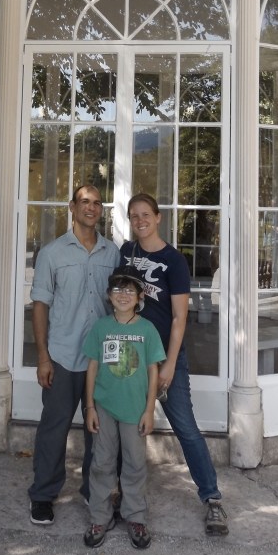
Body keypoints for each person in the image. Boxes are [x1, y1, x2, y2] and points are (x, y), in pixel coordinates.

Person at [120, 193, 229, 536]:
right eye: (134, 215)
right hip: (131, 355)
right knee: (125, 424)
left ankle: (211, 498)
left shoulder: (174, 260)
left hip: (165, 357)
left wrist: (168, 365)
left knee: (185, 427)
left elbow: (181, 317)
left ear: (158, 217)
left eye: (145, 214)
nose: (140, 220)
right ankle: (123, 495)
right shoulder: (125, 253)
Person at [28, 185, 120, 525]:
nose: (91, 208)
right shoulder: (52, 253)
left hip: (102, 358)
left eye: (97, 203)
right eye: (85, 202)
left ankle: (94, 494)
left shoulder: (113, 253)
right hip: (63, 355)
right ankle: (43, 494)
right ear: (72, 207)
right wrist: (42, 357)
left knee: (99, 432)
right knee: (54, 428)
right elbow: (40, 306)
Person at [82, 267, 166, 550]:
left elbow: (154, 370)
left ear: (140, 296)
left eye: (130, 290)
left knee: (134, 464)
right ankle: (100, 516)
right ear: (108, 295)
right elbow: (92, 367)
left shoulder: (147, 330)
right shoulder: (102, 328)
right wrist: (90, 406)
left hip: (135, 410)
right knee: (102, 462)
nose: (123, 295)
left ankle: (135, 516)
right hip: (104, 407)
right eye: (117, 289)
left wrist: (149, 409)